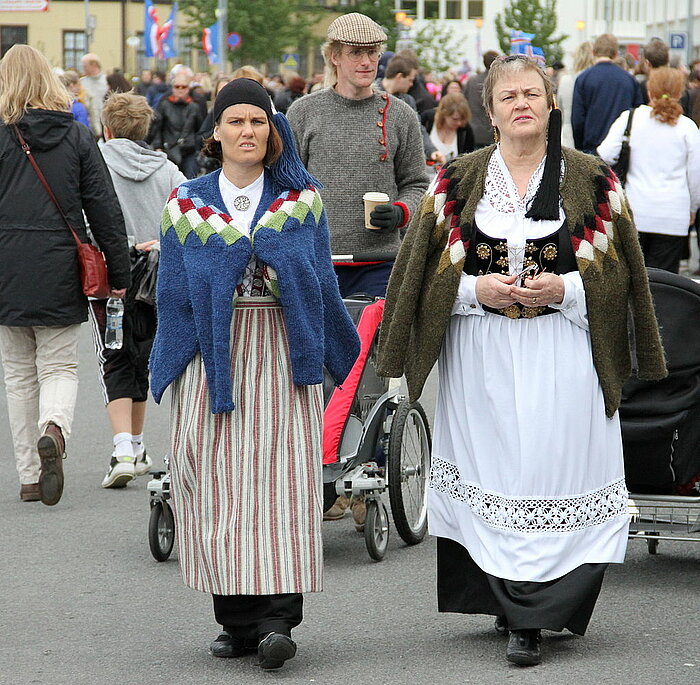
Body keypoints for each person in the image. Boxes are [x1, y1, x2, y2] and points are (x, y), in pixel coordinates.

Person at [377, 54, 667, 667]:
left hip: (562, 352)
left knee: (550, 468)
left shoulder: (592, 181)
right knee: (496, 470)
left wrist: (569, 289)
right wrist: (471, 291)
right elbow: (421, 275)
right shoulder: (456, 182)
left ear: (551, 102)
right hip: (480, 354)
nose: (520, 105)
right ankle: (510, 605)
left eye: (530, 94)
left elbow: (621, 279)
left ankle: (538, 612)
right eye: (506, 97)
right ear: (490, 110)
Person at [149, 78, 360, 671]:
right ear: (215, 132)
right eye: (236, 122)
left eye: (259, 122)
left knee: (281, 487)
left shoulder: (301, 199)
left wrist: (271, 259)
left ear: (274, 131)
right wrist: (175, 357)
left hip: (279, 355)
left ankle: (276, 621)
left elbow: (321, 284)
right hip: (215, 358)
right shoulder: (186, 203)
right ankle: (234, 621)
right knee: (220, 484)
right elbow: (174, 296)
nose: (248, 132)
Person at [0, 44, 130, 505]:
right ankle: (54, 428)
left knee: (17, 372)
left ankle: (30, 476)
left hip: (7, 263)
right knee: (58, 362)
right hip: (58, 260)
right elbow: (103, 207)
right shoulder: (76, 136)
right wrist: (119, 269)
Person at [287, 12, 429, 299]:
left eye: (372, 53)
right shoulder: (303, 113)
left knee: (371, 344)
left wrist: (401, 211)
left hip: (381, 264)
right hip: (317, 261)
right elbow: (286, 186)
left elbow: (417, 183)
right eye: (355, 53)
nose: (366, 62)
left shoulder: (401, 115)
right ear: (334, 57)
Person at [91, 93, 186, 488]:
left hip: (112, 273)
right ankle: (139, 444)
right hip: (155, 273)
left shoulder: (95, 164)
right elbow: (187, 209)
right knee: (143, 357)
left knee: (114, 357)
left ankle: (122, 449)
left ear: (107, 128)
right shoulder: (166, 169)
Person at [598, 67, 700, 273]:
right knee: (663, 283)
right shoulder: (688, 127)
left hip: (635, 211)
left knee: (632, 278)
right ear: (680, 93)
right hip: (673, 214)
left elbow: (605, 153)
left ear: (649, 91)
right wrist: (692, 208)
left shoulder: (631, 118)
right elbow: (695, 174)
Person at [572, 33, 643, 153]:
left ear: (593, 52)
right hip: (621, 148)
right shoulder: (629, 80)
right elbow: (638, 114)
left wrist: (580, 146)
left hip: (592, 148)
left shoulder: (583, 79)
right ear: (615, 54)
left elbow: (578, 119)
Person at [150, 70, 203, 179]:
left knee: (190, 181)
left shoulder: (194, 107)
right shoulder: (164, 105)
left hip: (189, 151)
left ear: (188, 89)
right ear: (172, 88)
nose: (180, 90)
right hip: (169, 149)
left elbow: (200, 130)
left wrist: (198, 148)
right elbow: (157, 128)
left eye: (183, 87)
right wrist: (158, 147)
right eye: (177, 87)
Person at [557, 42, 594, 148]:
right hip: (589, 135)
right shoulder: (595, 82)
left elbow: (561, 109)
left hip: (568, 133)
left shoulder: (565, 80)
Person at [421, 92, 475, 162]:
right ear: (444, 114)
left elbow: (469, 157)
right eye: (455, 119)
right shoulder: (427, 119)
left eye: (462, 119)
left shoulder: (465, 129)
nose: (459, 123)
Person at [464, 50, 499, 149]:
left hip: (475, 130)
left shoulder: (472, 81)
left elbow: (464, 101)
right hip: (494, 131)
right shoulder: (499, 81)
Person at [80, 52, 108, 139]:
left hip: (105, 122)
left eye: (85, 66)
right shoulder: (81, 83)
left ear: (94, 65)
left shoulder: (106, 81)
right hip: (89, 124)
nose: (83, 69)